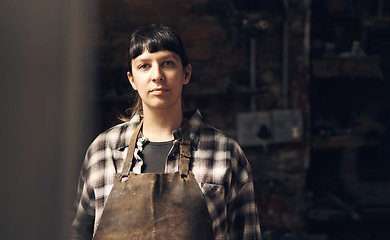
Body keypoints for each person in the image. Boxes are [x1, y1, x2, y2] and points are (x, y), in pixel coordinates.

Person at [71, 23, 262, 240]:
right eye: (144, 66)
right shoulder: (103, 150)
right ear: (131, 79)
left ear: (186, 73)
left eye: (168, 63)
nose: (157, 75)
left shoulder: (225, 152)